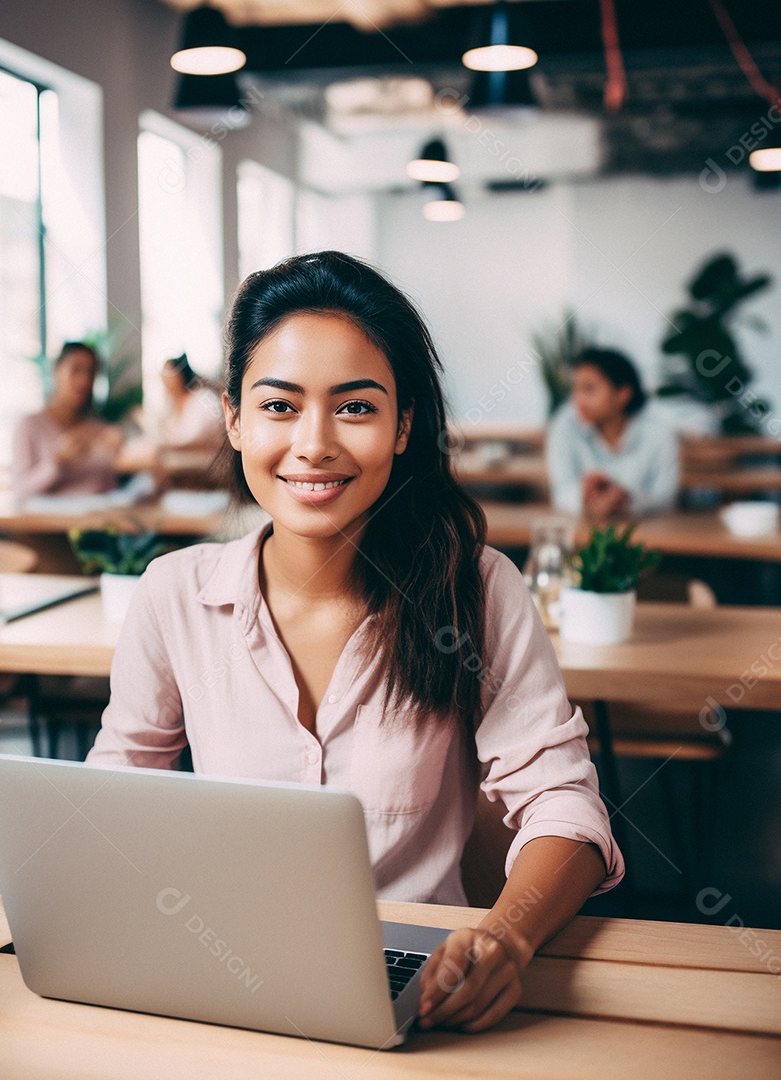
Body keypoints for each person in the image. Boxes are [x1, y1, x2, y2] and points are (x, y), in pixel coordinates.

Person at [87, 251, 623, 1034]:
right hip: (217, 976)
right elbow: (112, 801)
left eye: (356, 408)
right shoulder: (173, 593)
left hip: (421, 980)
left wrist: (506, 935)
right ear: (233, 418)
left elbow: (562, 802)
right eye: (279, 406)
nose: (314, 444)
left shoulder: (474, 589)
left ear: (404, 425)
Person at [546, 347, 680, 519]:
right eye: (575, 389)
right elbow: (562, 491)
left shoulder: (658, 433)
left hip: (645, 534)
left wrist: (628, 500)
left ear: (623, 394)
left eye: (589, 389)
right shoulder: (566, 424)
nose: (578, 399)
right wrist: (585, 497)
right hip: (584, 531)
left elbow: (666, 499)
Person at [12, 342, 123, 499]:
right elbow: (20, 490)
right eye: (76, 370)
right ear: (56, 370)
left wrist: (122, 453)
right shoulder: (29, 426)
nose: (84, 380)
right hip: (49, 522)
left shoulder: (102, 430)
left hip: (96, 519)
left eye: (91, 373)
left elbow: (110, 488)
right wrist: (56, 462)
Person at [158, 353, 225, 451]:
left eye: (169, 375)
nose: (165, 381)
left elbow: (213, 436)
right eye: (163, 376)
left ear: (180, 375)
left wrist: (169, 445)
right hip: (179, 460)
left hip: (203, 460)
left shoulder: (203, 399)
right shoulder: (171, 406)